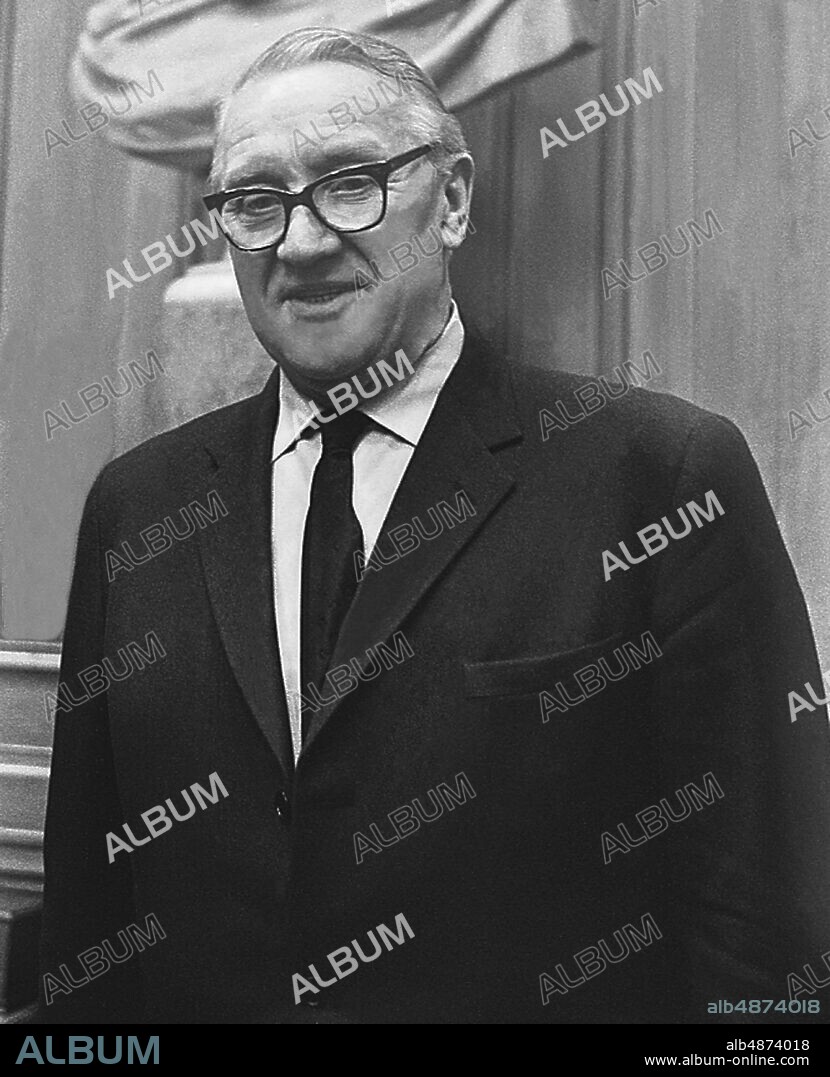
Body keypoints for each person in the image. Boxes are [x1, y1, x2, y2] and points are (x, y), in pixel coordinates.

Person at [39, 26, 830, 1024]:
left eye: (350, 183)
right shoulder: (137, 509)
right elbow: (89, 930)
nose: (303, 240)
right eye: (255, 201)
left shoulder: (655, 477)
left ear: (451, 199)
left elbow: (758, 932)